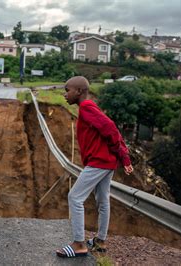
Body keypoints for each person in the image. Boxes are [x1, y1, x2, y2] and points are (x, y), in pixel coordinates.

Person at [56, 76, 134, 258]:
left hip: (99, 162)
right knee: (102, 199)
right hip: (107, 162)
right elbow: (111, 129)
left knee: (75, 197)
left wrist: (124, 156)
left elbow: (110, 128)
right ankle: (100, 241)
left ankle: (78, 244)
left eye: (68, 90)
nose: (64, 94)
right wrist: (123, 158)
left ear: (79, 91)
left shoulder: (86, 108)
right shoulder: (89, 107)